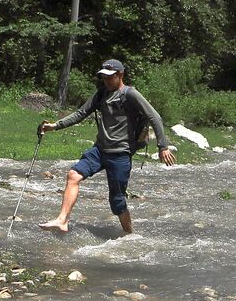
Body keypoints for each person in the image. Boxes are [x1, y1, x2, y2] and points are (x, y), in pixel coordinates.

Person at [38, 59, 176, 235]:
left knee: (117, 203)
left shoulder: (130, 94)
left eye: (110, 77)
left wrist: (163, 146)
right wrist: (55, 125)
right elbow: (81, 113)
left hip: (120, 154)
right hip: (99, 150)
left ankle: (130, 235)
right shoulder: (101, 94)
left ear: (120, 75)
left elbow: (154, 116)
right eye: (103, 77)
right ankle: (62, 220)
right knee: (73, 175)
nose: (106, 81)